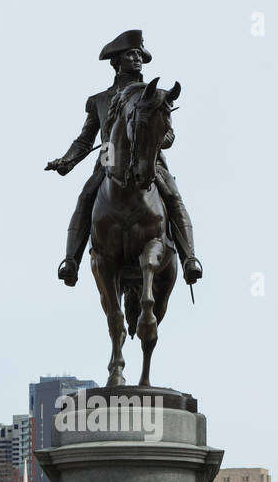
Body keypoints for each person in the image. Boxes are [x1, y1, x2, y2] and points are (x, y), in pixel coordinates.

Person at [46, 29, 202, 288]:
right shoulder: (100, 100)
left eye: (139, 54)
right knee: (85, 198)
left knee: (174, 197)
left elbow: (169, 135)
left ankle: (189, 260)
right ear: (116, 62)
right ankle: (71, 261)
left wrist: (152, 140)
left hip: (149, 160)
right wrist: (67, 161)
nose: (138, 59)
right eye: (131, 54)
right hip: (108, 159)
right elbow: (85, 140)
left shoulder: (155, 94)